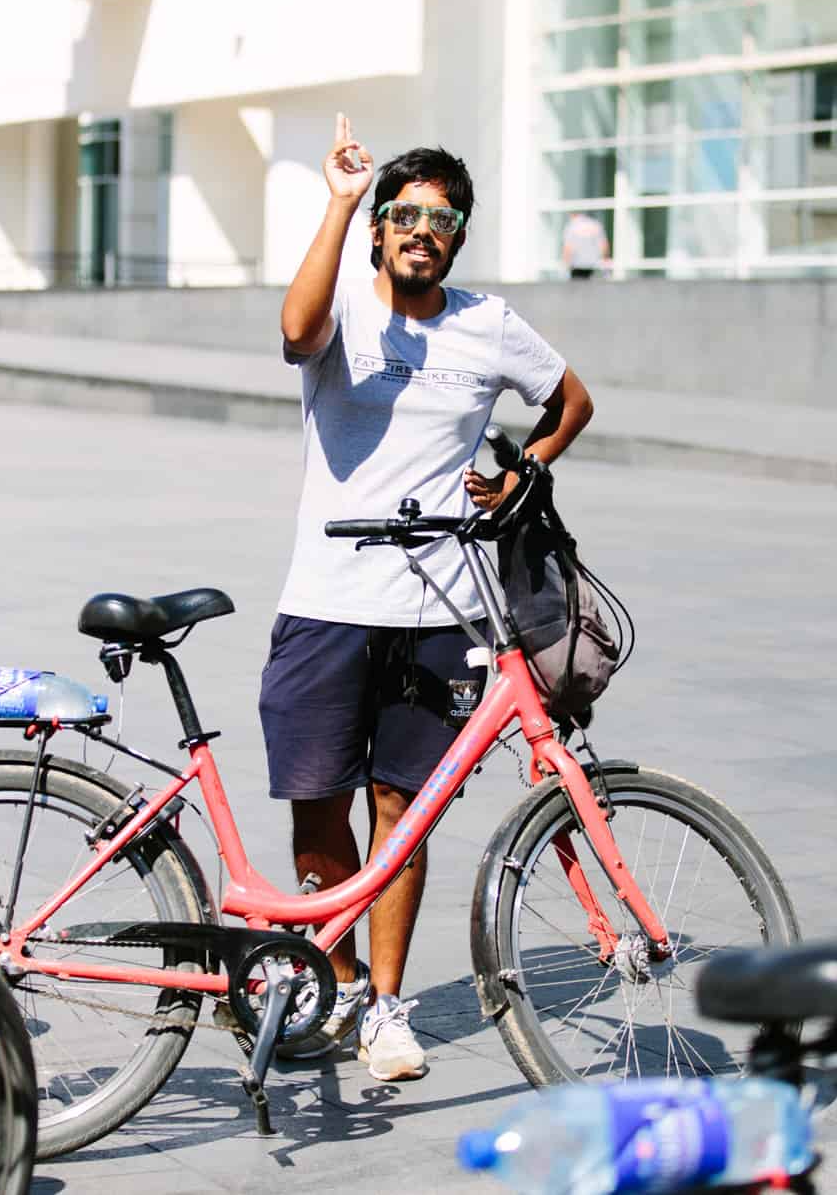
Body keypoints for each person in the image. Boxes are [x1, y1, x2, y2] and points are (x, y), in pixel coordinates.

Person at [263, 114, 594, 1080]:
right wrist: (338, 200)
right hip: (328, 596)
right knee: (317, 804)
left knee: (403, 811)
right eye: (403, 214)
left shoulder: (488, 325)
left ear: (456, 236)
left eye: (440, 219)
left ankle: (387, 1007)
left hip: (442, 603)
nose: (420, 230)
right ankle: (336, 971)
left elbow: (571, 400)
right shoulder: (345, 313)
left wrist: (525, 465)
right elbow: (294, 330)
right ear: (380, 229)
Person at [560, 211, 607, 281]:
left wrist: (565, 266)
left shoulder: (572, 226)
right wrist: (602, 262)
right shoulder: (595, 224)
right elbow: (604, 245)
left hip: (577, 265)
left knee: (577, 290)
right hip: (594, 265)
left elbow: (568, 248)